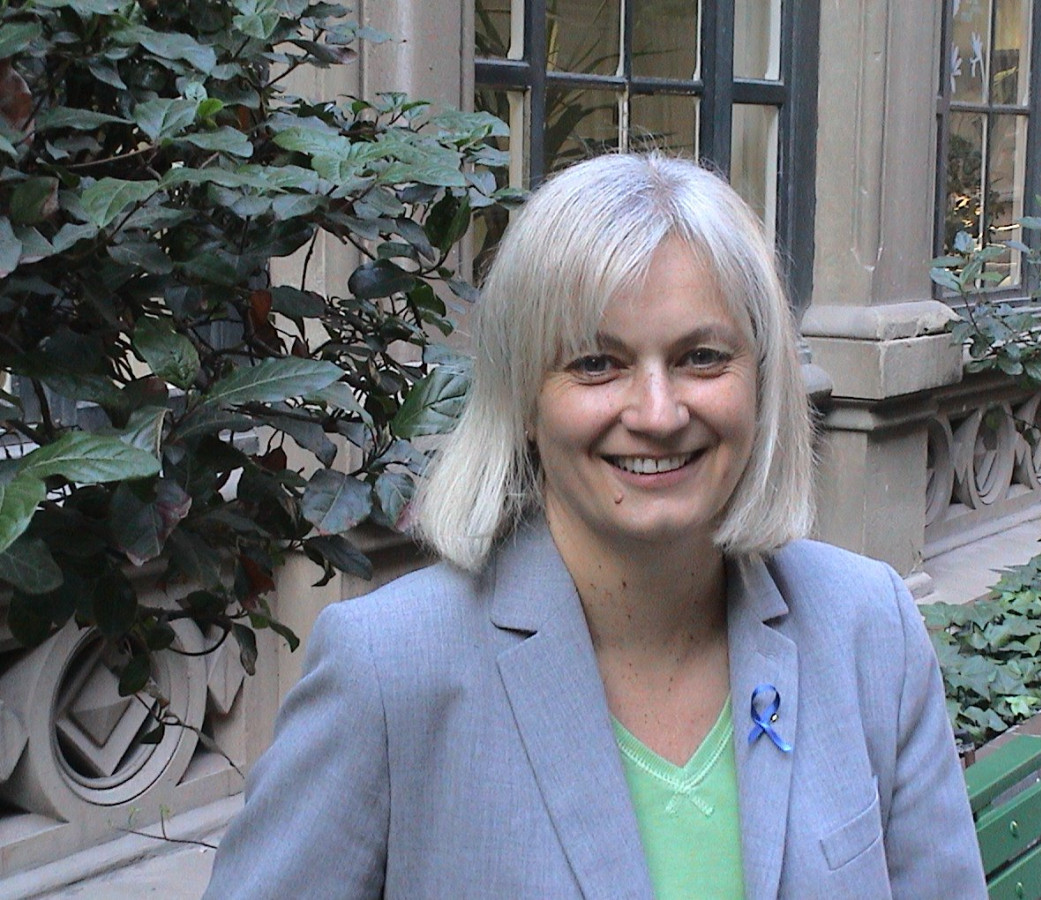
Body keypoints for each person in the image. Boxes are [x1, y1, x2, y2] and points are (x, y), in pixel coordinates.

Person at [203, 153, 987, 898]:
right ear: (523, 401)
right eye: (595, 363)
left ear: (761, 382)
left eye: (701, 357)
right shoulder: (389, 670)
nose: (657, 413)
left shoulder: (868, 628)